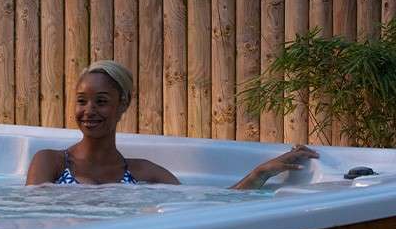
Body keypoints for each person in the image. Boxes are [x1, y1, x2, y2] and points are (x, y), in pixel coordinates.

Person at [26, 60, 319, 189]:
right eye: (81, 101)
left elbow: (201, 209)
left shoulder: (144, 173)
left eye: (101, 101)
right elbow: (30, 219)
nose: (89, 111)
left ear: (123, 104)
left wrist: (261, 172)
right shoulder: (50, 162)